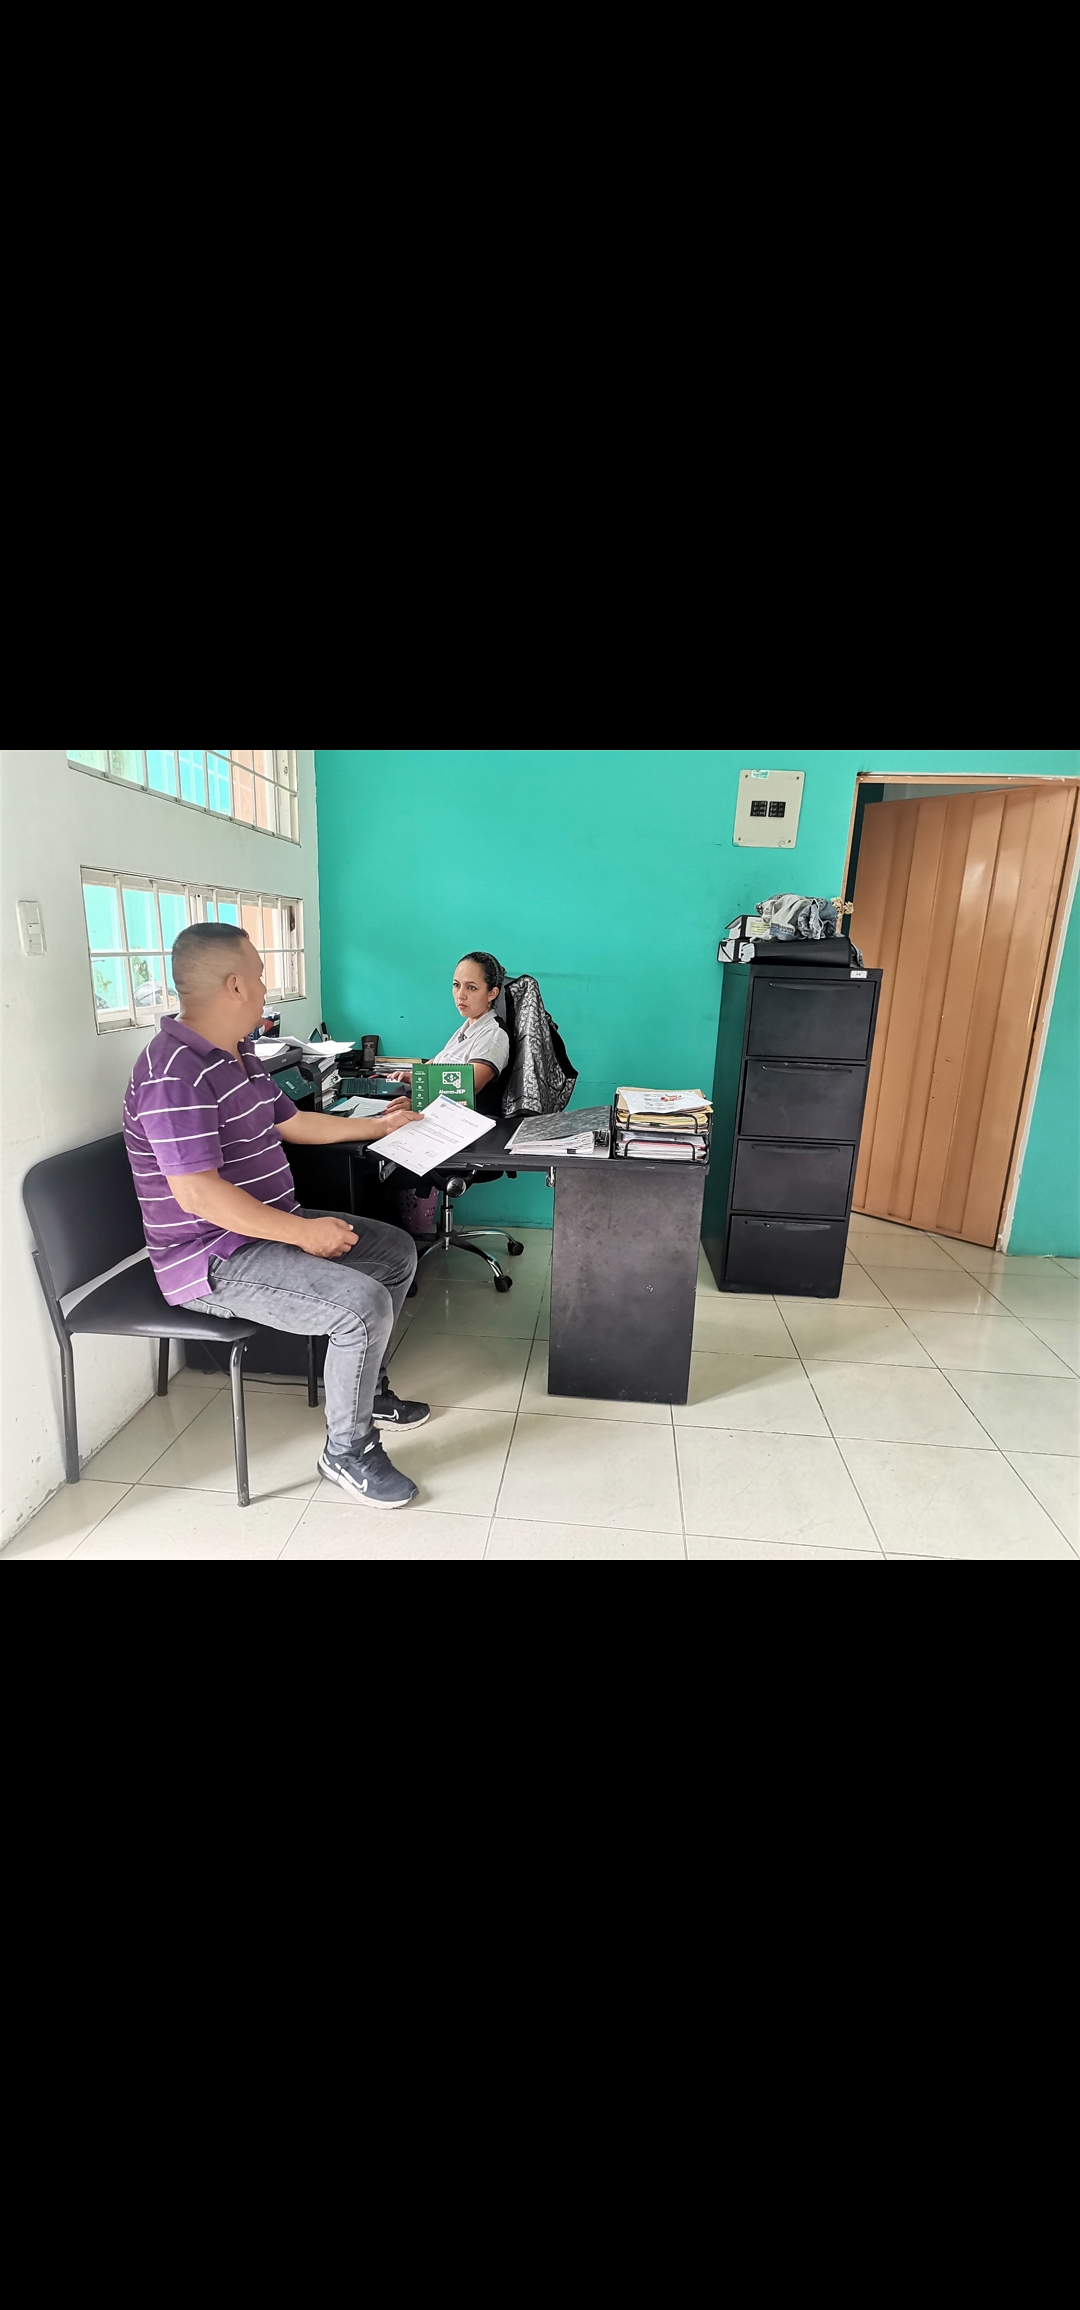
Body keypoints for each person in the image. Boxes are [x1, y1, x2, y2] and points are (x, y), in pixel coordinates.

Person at [123, 922, 429, 1510]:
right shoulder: (173, 1072)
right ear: (234, 985)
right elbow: (198, 1196)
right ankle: (347, 1451)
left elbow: (290, 1122)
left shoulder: (239, 1052)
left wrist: (379, 1126)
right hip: (210, 1257)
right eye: (260, 977)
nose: (265, 989)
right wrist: (302, 1233)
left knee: (394, 1252)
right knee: (361, 1306)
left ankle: (363, 1393)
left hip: (261, 1228)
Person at [398, 952, 511, 1235]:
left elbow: (466, 1086)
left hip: (464, 1134)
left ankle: (392, 1239)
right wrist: (411, 1077)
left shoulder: (493, 1035)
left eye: (471, 987)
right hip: (442, 1122)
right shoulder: (468, 1027)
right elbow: (441, 1068)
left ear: (492, 993)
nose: (460, 995)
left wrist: (415, 1100)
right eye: (456, 985)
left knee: (370, 1159)